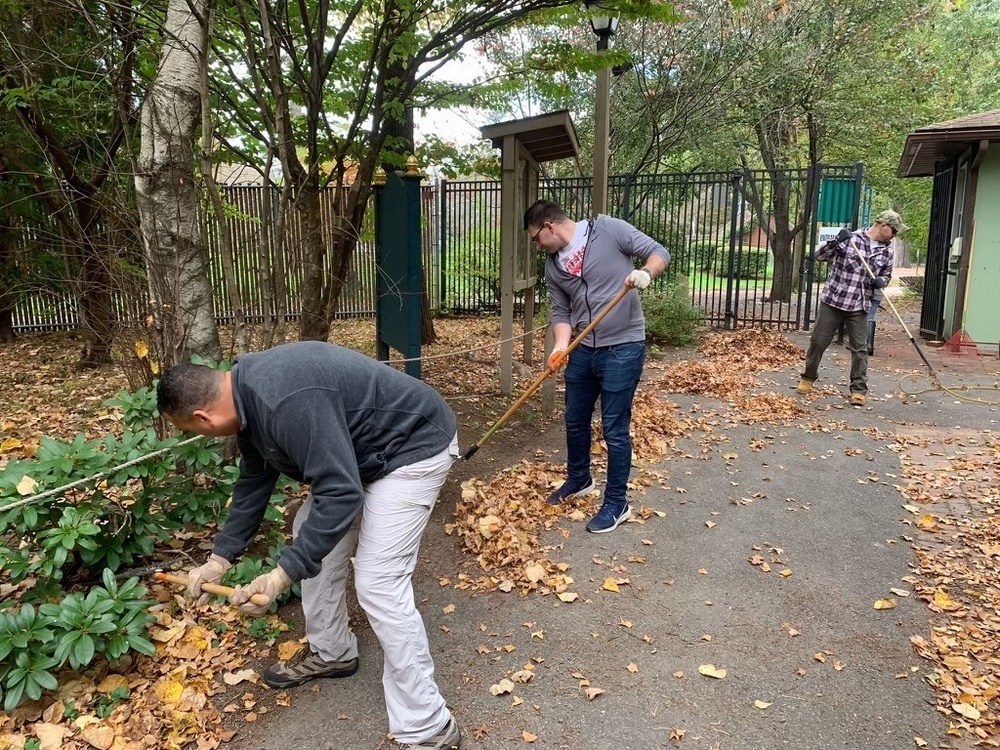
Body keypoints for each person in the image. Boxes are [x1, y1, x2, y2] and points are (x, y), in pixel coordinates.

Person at [156, 341, 461, 750]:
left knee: (378, 582)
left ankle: (429, 725)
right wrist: (220, 558)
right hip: (363, 455)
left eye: (192, 432)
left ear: (202, 416)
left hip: (412, 447)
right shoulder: (244, 394)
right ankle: (333, 653)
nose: (201, 437)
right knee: (308, 529)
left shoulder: (285, 400)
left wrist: (283, 574)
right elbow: (254, 479)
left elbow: (340, 492)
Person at [524, 199, 670, 533]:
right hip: (583, 349)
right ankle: (579, 479)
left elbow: (659, 251)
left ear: (549, 227)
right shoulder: (553, 265)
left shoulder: (608, 229)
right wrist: (561, 345)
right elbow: (561, 311)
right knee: (575, 418)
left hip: (623, 346)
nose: (537, 246)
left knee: (614, 427)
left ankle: (617, 502)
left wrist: (646, 271)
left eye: (535, 238)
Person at [797, 210, 904, 407]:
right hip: (834, 300)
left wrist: (882, 281)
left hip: (860, 304)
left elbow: (886, 274)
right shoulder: (851, 239)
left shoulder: (887, 250)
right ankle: (808, 377)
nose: (895, 235)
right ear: (883, 226)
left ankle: (858, 390)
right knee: (819, 342)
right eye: (894, 231)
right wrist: (835, 241)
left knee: (860, 349)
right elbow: (819, 256)